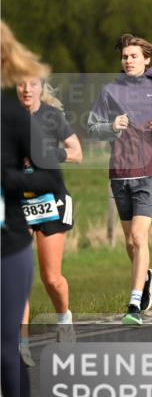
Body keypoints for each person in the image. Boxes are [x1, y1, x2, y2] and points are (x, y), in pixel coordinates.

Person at [87, 34, 152, 325]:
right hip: (119, 173)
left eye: (133, 56)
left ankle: (133, 305)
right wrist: (110, 125)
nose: (128, 61)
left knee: (139, 237)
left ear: (146, 59)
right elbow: (93, 127)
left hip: (148, 171)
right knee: (130, 243)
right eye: (124, 57)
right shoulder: (110, 91)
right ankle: (146, 276)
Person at [2, 22, 62, 397]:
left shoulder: (12, 114)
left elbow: (47, 177)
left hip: (7, 244)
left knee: (5, 347)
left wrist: (7, 177)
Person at [15, 76, 82, 345]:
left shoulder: (52, 116)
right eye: (20, 84)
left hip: (51, 200)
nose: (26, 89)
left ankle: (64, 320)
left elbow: (77, 153)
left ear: (41, 88)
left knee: (51, 278)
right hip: (18, 202)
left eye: (32, 83)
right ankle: (20, 343)